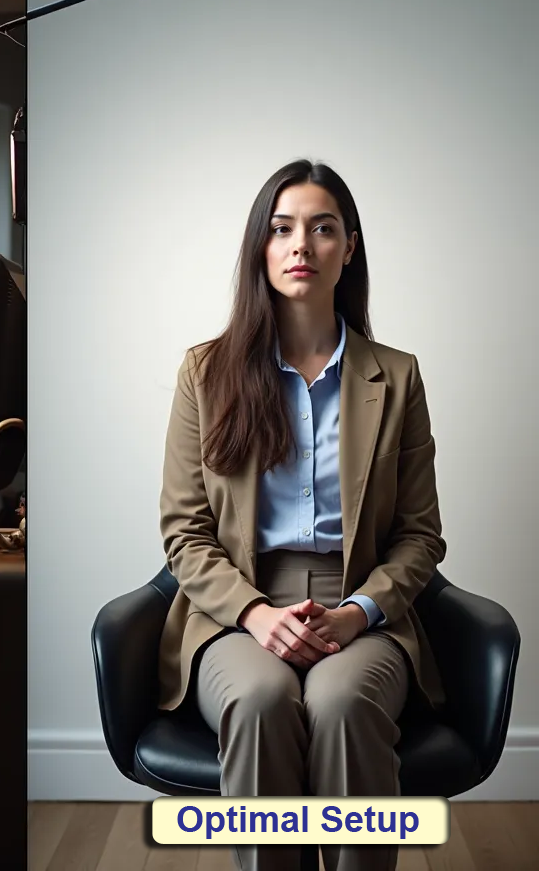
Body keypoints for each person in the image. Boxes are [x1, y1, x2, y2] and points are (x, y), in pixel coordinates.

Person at [158, 160, 445, 871]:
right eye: (282, 229)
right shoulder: (206, 371)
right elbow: (184, 532)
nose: (301, 245)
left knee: (344, 705)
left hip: (359, 604)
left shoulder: (396, 376)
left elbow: (419, 535)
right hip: (237, 607)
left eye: (322, 229)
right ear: (261, 247)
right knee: (258, 701)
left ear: (349, 248)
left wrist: (357, 613)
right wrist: (256, 614)